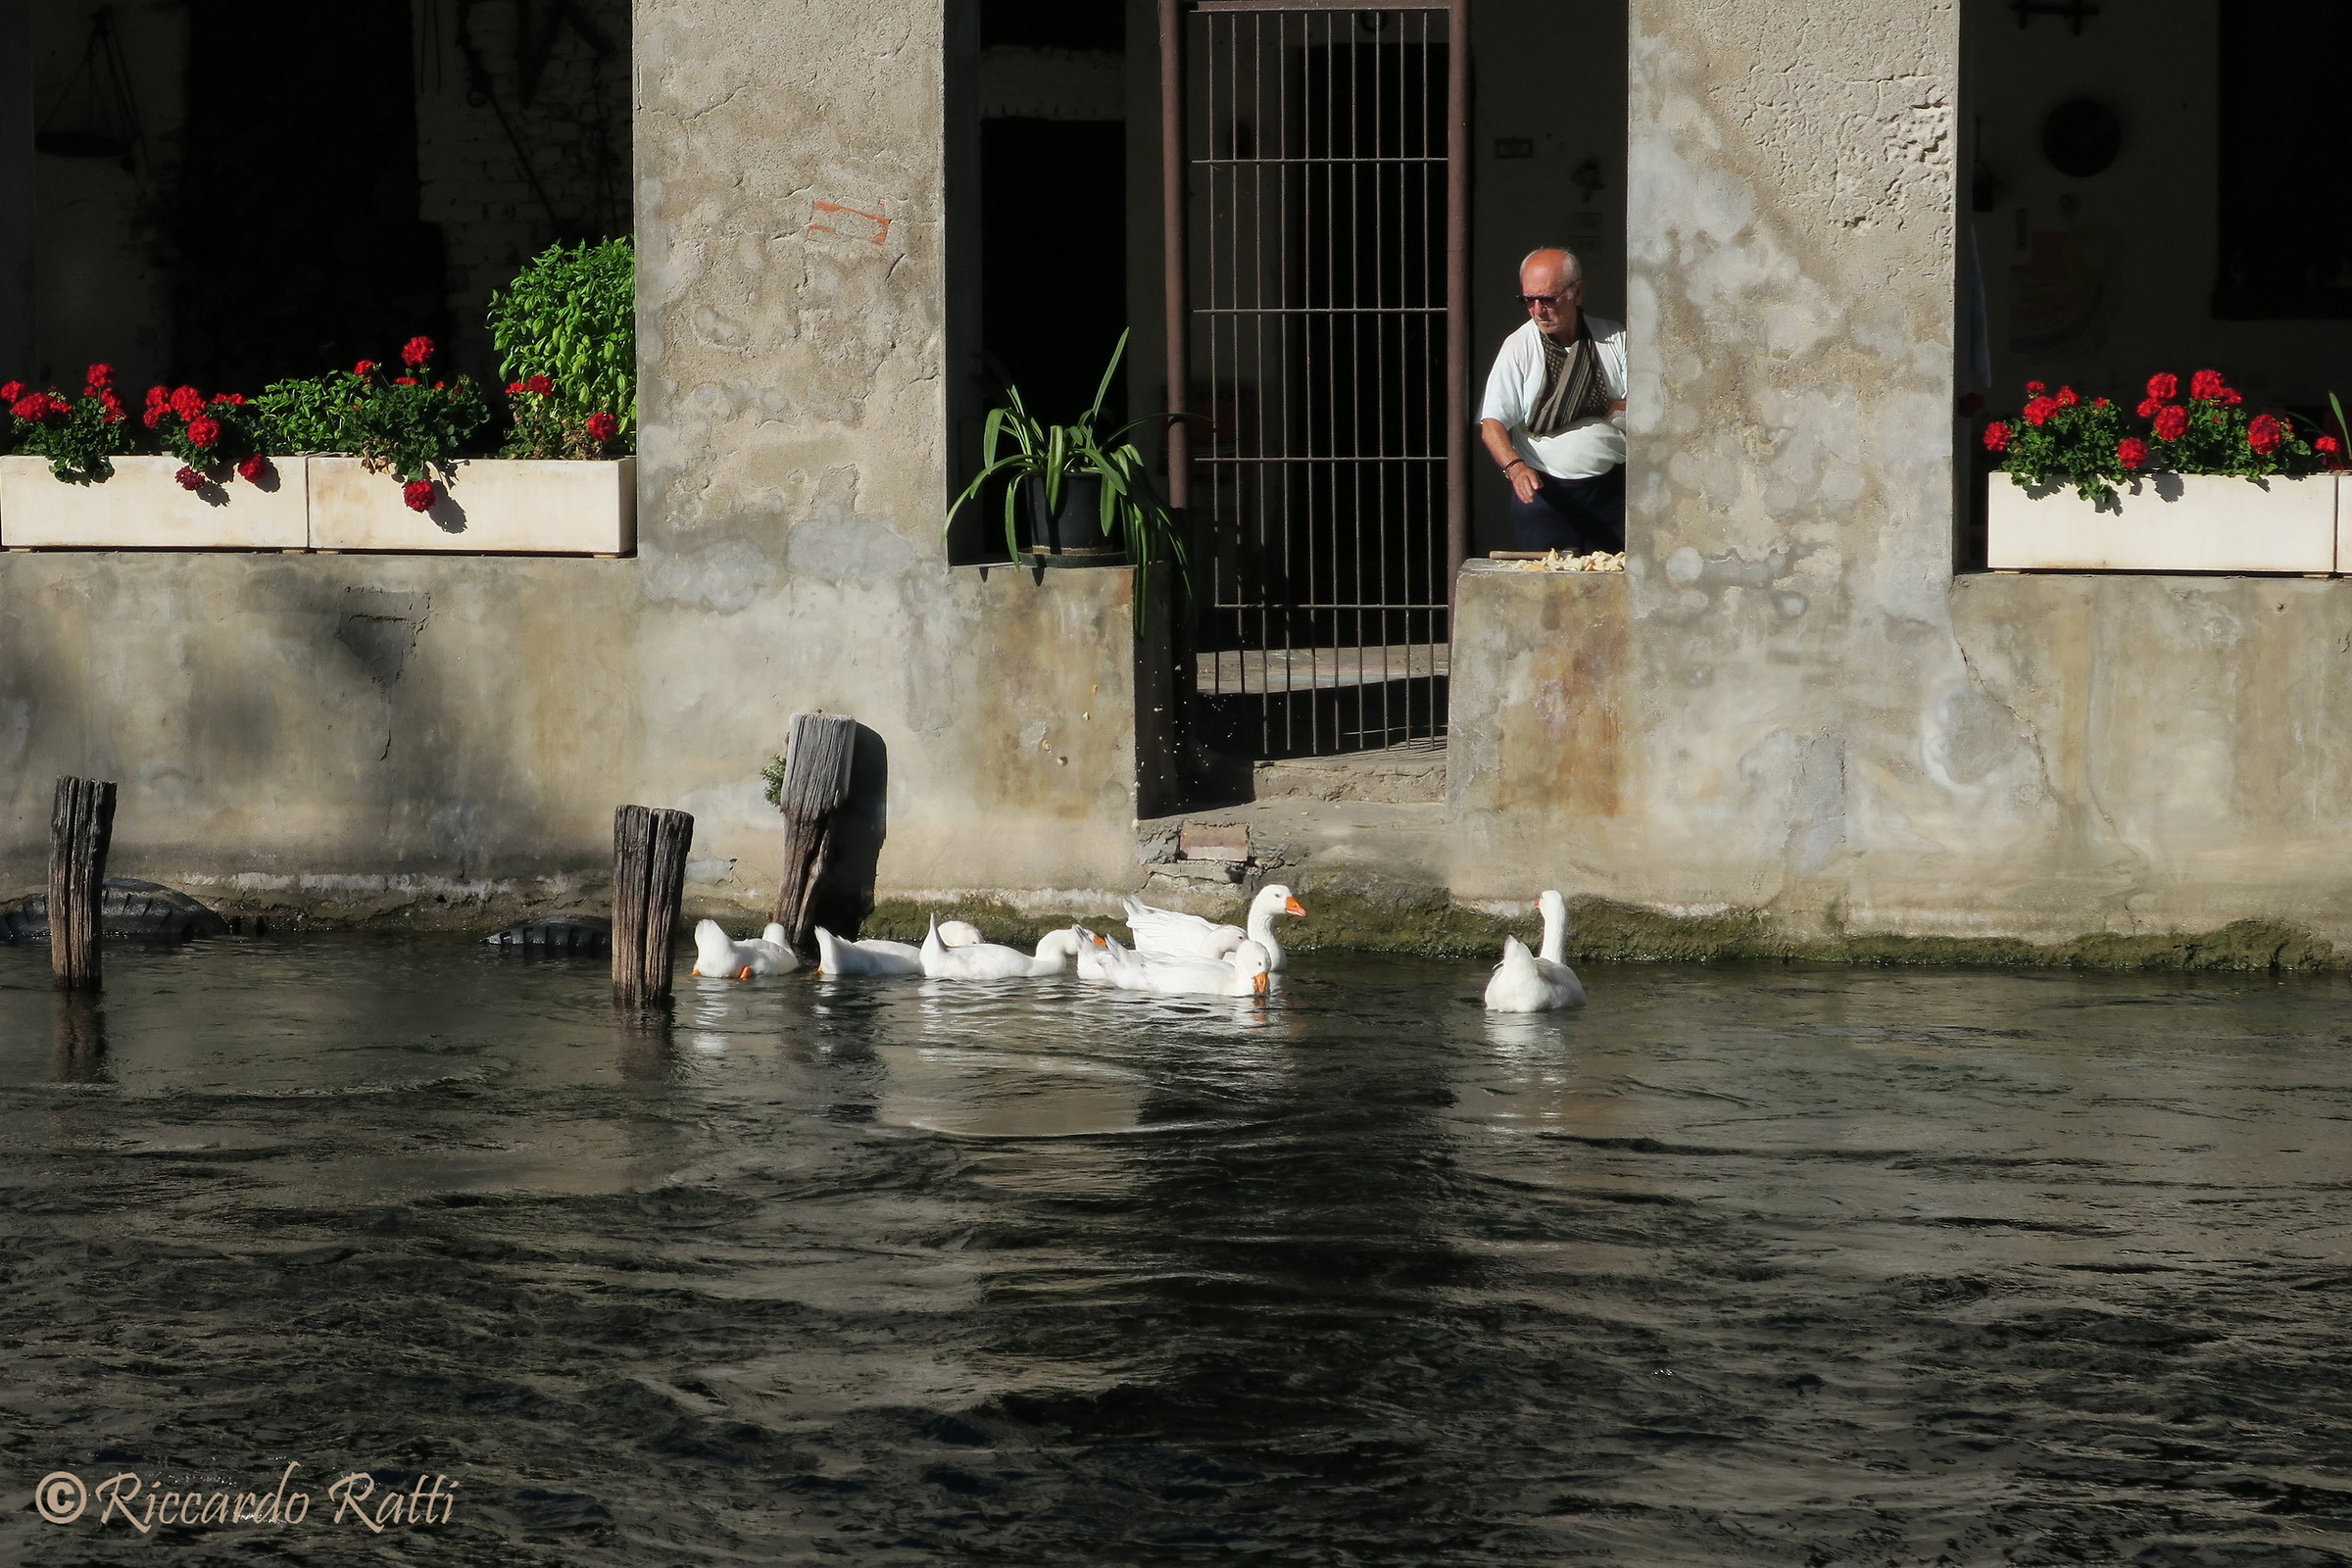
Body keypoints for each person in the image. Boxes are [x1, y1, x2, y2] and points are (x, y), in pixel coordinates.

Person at [1478, 247, 1628, 554]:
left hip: (1613, 495)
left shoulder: (1613, 338)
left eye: (1547, 299)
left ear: (1577, 293)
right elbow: (1491, 424)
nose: (1537, 310)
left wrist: (1610, 406)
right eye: (1528, 300)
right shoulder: (1518, 347)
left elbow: (1648, 411)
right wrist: (1515, 467)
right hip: (1547, 498)